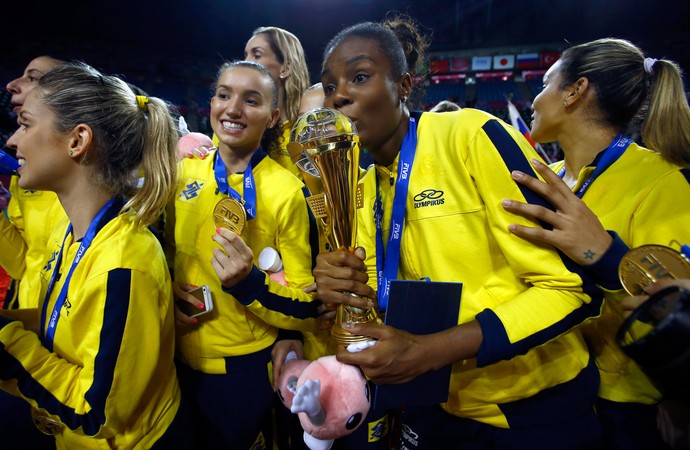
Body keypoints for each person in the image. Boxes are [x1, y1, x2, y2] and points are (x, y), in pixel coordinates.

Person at [312, 17, 606, 449]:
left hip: (533, 407)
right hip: (437, 402)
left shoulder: (471, 135)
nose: (339, 96)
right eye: (329, 85)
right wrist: (345, 288)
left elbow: (571, 288)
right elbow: (382, 288)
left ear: (404, 85)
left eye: (359, 77)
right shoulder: (358, 182)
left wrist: (429, 351)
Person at [500, 38, 690, 450]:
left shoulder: (659, 178)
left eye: (545, 83)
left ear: (575, 91)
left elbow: (677, 308)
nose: (535, 98)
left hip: (625, 406)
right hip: (545, 395)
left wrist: (606, 255)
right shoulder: (541, 178)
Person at [0, 61, 192, 449]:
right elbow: (65, 321)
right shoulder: (70, 229)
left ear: (77, 140)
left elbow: (97, 412)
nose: (12, 141)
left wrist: (6, 344)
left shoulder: (124, 262)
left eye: (26, 124)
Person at [166, 60, 321, 450]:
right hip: (173, 362)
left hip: (244, 369)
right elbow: (162, 256)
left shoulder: (287, 190)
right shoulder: (182, 173)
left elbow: (306, 304)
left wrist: (248, 284)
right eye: (223, 95)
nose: (232, 109)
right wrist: (166, 291)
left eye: (251, 100)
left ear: (273, 117)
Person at [0, 55, 67, 449]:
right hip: (32, 336)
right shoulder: (27, 179)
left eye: (32, 77)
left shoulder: (97, 185)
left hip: (70, 351)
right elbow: (23, 264)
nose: (12, 84)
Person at [242, 26, 311, 178]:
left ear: (285, 69)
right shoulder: (234, 124)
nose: (245, 63)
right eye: (245, 55)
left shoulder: (307, 135)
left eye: (257, 55)